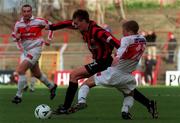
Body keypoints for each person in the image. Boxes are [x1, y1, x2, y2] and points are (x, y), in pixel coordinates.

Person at [69, 20, 158, 120]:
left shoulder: (126, 39)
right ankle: (125, 111)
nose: (122, 32)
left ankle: (81, 101)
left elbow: (120, 53)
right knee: (129, 94)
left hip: (114, 73)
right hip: (128, 76)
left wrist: (114, 60)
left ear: (128, 31)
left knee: (86, 84)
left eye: (123, 30)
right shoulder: (143, 39)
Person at [46, 9, 120, 113]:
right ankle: (148, 104)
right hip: (100, 62)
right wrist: (51, 27)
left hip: (104, 62)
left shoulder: (97, 31)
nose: (75, 26)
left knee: (74, 75)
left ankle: (65, 107)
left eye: (77, 23)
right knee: (126, 88)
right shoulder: (83, 28)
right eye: (75, 23)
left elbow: (116, 42)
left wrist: (119, 55)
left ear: (84, 21)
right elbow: (67, 23)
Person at [11, 4, 57, 104]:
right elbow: (14, 36)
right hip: (26, 51)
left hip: (36, 49)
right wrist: (16, 37)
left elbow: (52, 26)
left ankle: (18, 96)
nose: (26, 13)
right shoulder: (18, 24)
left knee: (20, 70)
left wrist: (49, 39)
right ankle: (52, 86)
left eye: (28, 11)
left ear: (31, 12)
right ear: (22, 12)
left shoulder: (39, 21)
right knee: (36, 74)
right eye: (24, 11)